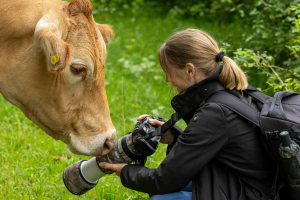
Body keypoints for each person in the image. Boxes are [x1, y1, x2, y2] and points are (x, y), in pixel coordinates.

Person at [99, 28, 275, 200]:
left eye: (168, 71)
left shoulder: (215, 111)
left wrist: (125, 170)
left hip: (251, 192)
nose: (167, 79)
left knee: (161, 198)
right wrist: (174, 136)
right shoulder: (235, 90)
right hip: (252, 184)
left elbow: (162, 181)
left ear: (190, 70)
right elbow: (216, 147)